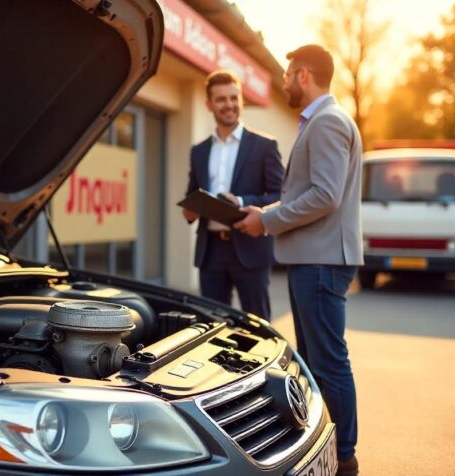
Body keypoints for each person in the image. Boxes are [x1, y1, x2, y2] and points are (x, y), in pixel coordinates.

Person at [234, 45, 362, 476]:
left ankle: (344, 458)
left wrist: (267, 221)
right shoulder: (325, 121)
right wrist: (265, 215)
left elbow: (325, 196)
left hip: (321, 262)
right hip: (315, 258)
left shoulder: (326, 122)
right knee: (317, 360)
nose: (284, 82)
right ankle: (330, 449)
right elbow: (311, 194)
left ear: (304, 75)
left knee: (327, 362)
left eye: (288, 75)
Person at [182, 70, 284, 319]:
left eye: (233, 98)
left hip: (251, 248)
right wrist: (190, 208)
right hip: (211, 250)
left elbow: (281, 195)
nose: (229, 105)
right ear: (209, 105)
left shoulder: (264, 146)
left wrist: (241, 201)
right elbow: (192, 193)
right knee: (212, 325)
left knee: (257, 323)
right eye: (221, 99)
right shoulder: (199, 151)